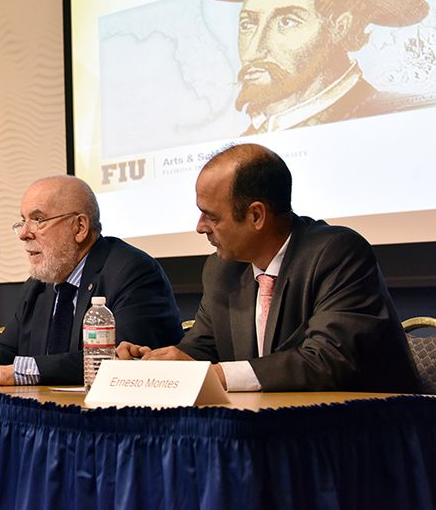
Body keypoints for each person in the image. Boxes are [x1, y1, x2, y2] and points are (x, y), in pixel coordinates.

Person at [116, 144, 419, 392]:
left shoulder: (337, 254)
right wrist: (161, 362)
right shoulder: (222, 271)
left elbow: (329, 360)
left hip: (370, 436)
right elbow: (203, 349)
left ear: (256, 216)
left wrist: (217, 375)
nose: (200, 228)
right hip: (274, 429)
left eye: (212, 217)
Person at [206, 0, 435, 135]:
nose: (253, 50)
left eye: (287, 21)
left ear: (340, 26)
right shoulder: (250, 135)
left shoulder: (398, 115)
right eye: (248, 24)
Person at [0, 175, 183, 386]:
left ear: (80, 227)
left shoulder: (132, 272)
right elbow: (5, 352)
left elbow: (116, 359)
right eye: (23, 220)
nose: (23, 233)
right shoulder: (38, 286)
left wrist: (18, 372)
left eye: (38, 220)